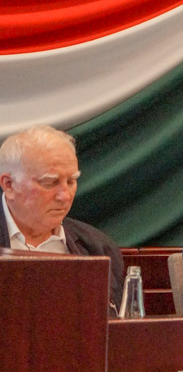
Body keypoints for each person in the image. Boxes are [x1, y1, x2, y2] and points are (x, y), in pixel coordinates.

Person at [0, 125, 125, 313]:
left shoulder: (98, 248)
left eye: (71, 181)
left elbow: (113, 326)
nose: (65, 196)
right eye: (50, 183)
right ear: (9, 185)